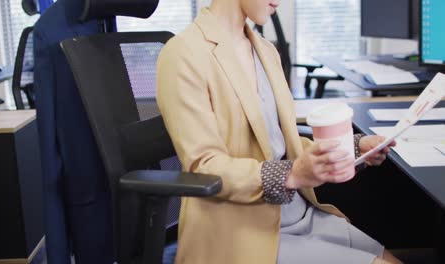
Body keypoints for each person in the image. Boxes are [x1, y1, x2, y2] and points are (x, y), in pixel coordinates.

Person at [156, 0, 401, 263]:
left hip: (298, 212)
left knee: (390, 258)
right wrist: (292, 173)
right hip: (240, 228)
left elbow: (282, 145)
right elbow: (204, 166)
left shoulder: (265, 49)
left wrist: (351, 147)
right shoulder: (183, 54)